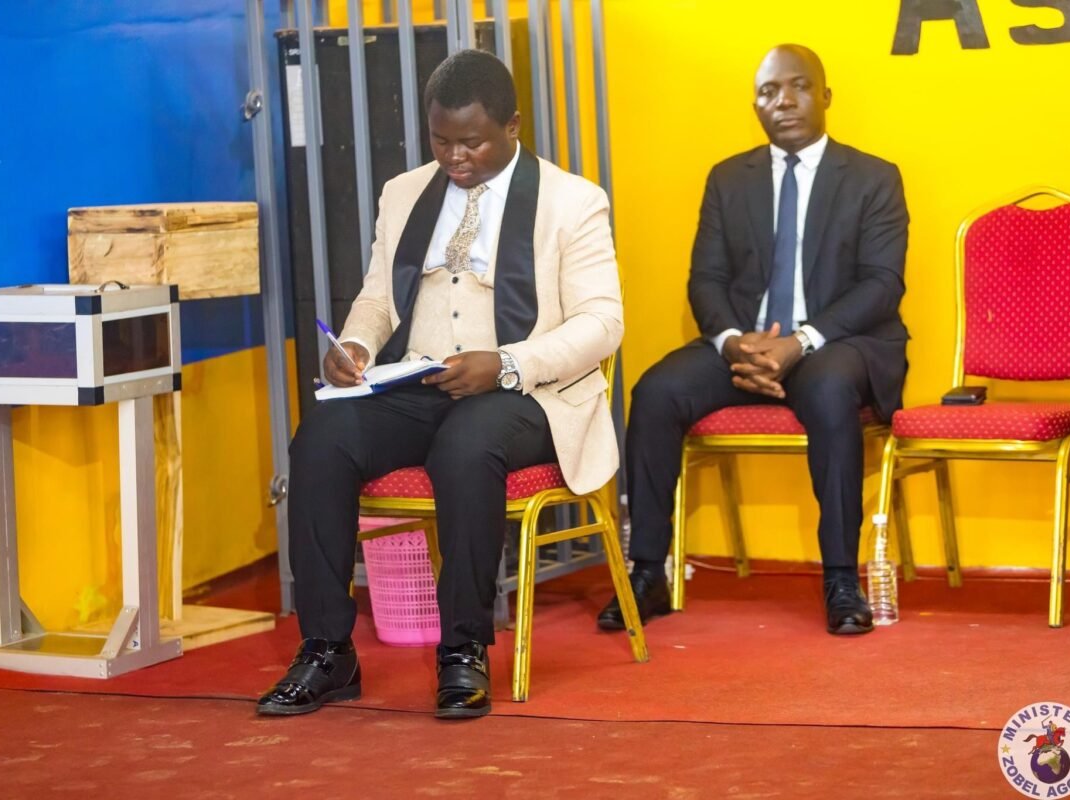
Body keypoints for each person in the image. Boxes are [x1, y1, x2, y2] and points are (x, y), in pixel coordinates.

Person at [258, 49, 623, 720]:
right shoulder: (403, 193)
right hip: (423, 382)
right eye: (441, 140)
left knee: (466, 446)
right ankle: (327, 650)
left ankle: (462, 649)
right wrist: (356, 344)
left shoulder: (573, 201)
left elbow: (603, 324)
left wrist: (506, 362)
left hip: (530, 392)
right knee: (323, 438)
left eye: (472, 142)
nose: (455, 157)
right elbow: (378, 297)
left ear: (513, 126)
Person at [598, 44, 909, 636]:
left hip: (836, 343)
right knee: (656, 391)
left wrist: (801, 341)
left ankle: (841, 578)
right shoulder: (728, 178)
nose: (783, 101)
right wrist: (732, 343)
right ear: (756, 106)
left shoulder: (873, 177)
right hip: (745, 345)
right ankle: (647, 572)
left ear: (825, 96)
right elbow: (706, 279)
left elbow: (882, 284)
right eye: (769, 91)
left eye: (798, 86)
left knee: (830, 391)